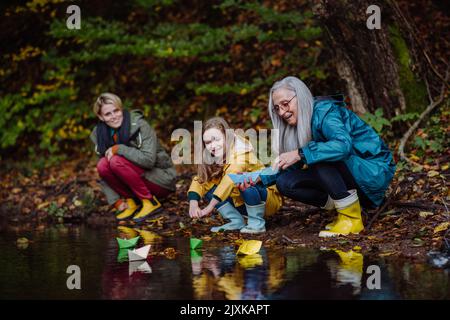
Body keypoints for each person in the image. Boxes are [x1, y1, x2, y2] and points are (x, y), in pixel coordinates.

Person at [259, 76, 395, 237]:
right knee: (285, 183)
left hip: (372, 174)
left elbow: (343, 146)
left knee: (317, 156)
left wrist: (300, 153)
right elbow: (290, 166)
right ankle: (344, 209)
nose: (282, 112)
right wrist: (261, 179)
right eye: (277, 108)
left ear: (300, 97)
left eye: (285, 104)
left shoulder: (325, 111)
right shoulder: (298, 125)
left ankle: (352, 219)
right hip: (351, 176)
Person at [90, 93, 177, 223]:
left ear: (121, 109)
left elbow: (148, 161)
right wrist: (116, 201)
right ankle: (131, 202)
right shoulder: (101, 134)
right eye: (108, 114)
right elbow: (104, 173)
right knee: (103, 164)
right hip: (137, 182)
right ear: (101, 117)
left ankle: (150, 202)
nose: (114, 116)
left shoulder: (140, 126)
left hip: (161, 180)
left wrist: (120, 149)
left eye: (116, 110)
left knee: (116, 160)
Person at [187, 117, 282, 234]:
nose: (213, 146)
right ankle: (236, 221)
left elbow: (230, 177)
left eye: (216, 139)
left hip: (265, 199)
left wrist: (209, 207)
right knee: (207, 182)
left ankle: (256, 223)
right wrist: (193, 203)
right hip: (240, 202)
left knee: (244, 181)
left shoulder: (242, 151)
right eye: (208, 142)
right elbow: (200, 180)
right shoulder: (214, 156)